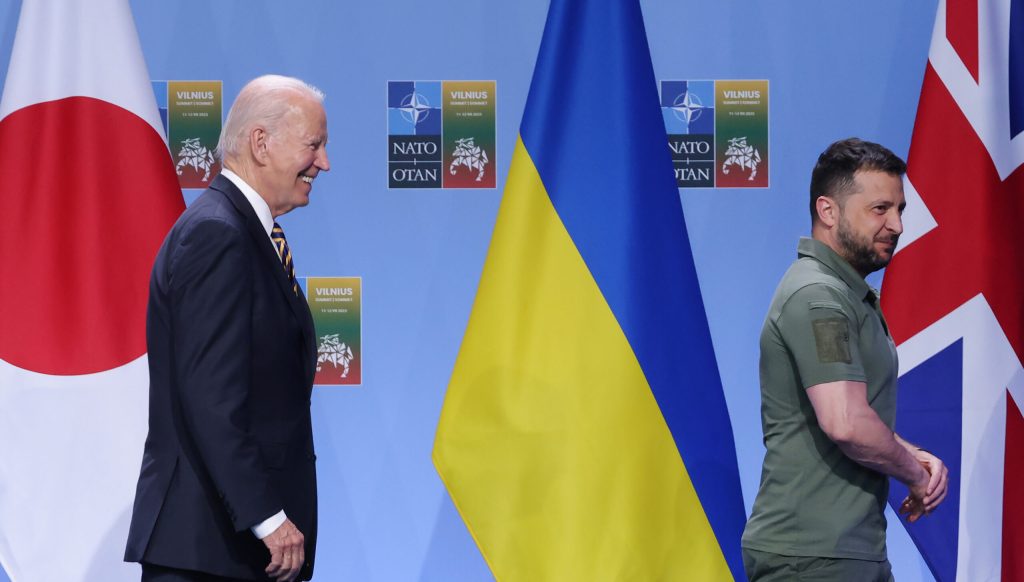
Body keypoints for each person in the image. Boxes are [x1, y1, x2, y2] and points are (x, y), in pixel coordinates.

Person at [125, 75, 330, 581]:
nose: (324, 163)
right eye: (314, 145)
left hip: (229, 550)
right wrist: (269, 519)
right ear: (261, 143)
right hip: (210, 552)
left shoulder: (238, 230)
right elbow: (212, 399)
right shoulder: (219, 234)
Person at [741, 138, 949, 581]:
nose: (896, 225)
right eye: (880, 209)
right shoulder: (819, 297)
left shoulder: (846, 294)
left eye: (899, 210)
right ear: (828, 211)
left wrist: (911, 454)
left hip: (845, 553)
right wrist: (913, 472)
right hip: (814, 559)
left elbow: (847, 414)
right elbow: (845, 422)